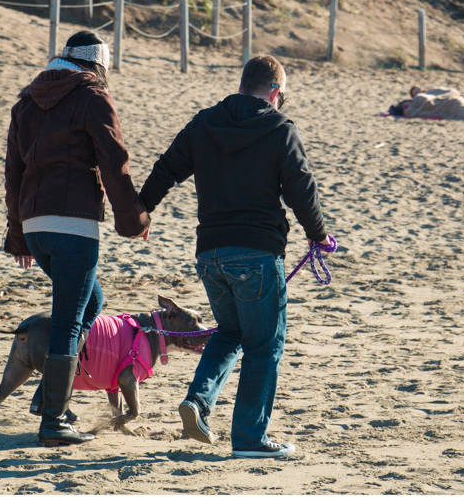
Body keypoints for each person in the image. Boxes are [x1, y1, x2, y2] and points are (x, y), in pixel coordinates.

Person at [138, 54, 329, 458]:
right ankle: (250, 439)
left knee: (230, 332)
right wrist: (319, 234)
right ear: (275, 91)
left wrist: (140, 211)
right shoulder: (280, 127)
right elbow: (301, 189)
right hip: (257, 254)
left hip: (209, 253)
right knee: (265, 344)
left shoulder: (205, 122)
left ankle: (198, 401)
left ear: (243, 85)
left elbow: (166, 169)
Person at [3, 30, 150, 447]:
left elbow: (13, 172)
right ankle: (53, 422)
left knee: (92, 304)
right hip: (73, 224)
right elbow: (114, 162)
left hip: (36, 223)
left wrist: (19, 235)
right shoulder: (92, 98)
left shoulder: (26, 102)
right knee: (70, 318)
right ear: (97, 66)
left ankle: (49, 398)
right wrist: (134, 219)